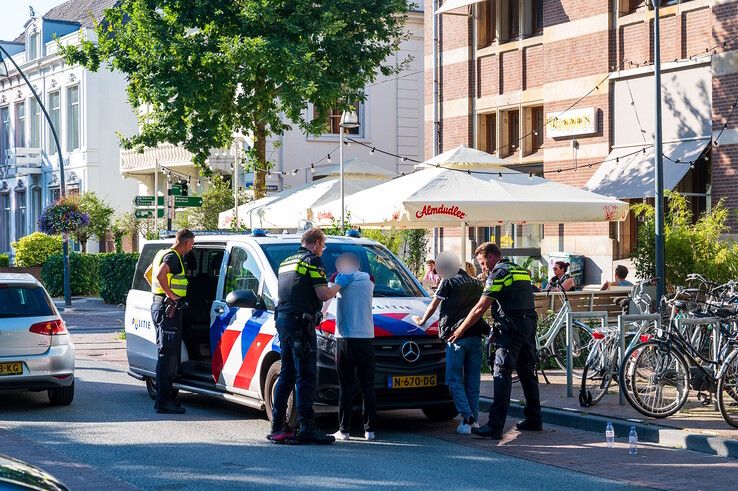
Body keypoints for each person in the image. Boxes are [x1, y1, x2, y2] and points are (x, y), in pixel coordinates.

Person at [269, 228, 353, 445]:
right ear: (315, 243)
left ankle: (278, 427)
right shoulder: (312, 262)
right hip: (300, 324)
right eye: (323, 246)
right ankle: (307, 427)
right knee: (306, 375)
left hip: (284, 321)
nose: (323, 250)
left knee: (287, 373)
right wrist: (339, 284)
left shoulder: (287, 261)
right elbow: (323, 294)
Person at [452, 242, 541, 440]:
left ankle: (495, 426)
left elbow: (480, 307)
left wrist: (460, 329)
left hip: (510, 329)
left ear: (492, 257)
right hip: (528, 326)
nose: (483, 268)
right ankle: (534, 418)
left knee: (501, 373)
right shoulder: (520, 270)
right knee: (527, 372)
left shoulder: (499, 274)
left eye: (483, 263)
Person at [413, 251, 488, 435]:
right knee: (473, 381)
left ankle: (467, 416)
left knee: (454, 379)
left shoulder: (448, 281)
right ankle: (474, 420)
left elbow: (434, 304)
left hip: (456, 336)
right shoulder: (475, 282)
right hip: (475, 335)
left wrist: (422, 321)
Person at [329, 253, 377, 442]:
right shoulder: (369, 279)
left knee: (346, 387)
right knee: (368, 386)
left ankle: (344, 430)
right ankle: (370, 430)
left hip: (346, 338)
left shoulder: (340, 278)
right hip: (367, 338)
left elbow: (329, 296)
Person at [150, 228, 195, 414]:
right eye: (192, 245)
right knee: (167, 356)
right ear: (185, 243)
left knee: (167, 354)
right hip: (168, 309)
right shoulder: (173, 257)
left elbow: (148, 274)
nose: (191, 249)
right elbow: (160, 275)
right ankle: (163, 401)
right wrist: (171, 297)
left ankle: (166, 399)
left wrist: (158, 295)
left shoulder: (162, 253)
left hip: (160, 305)